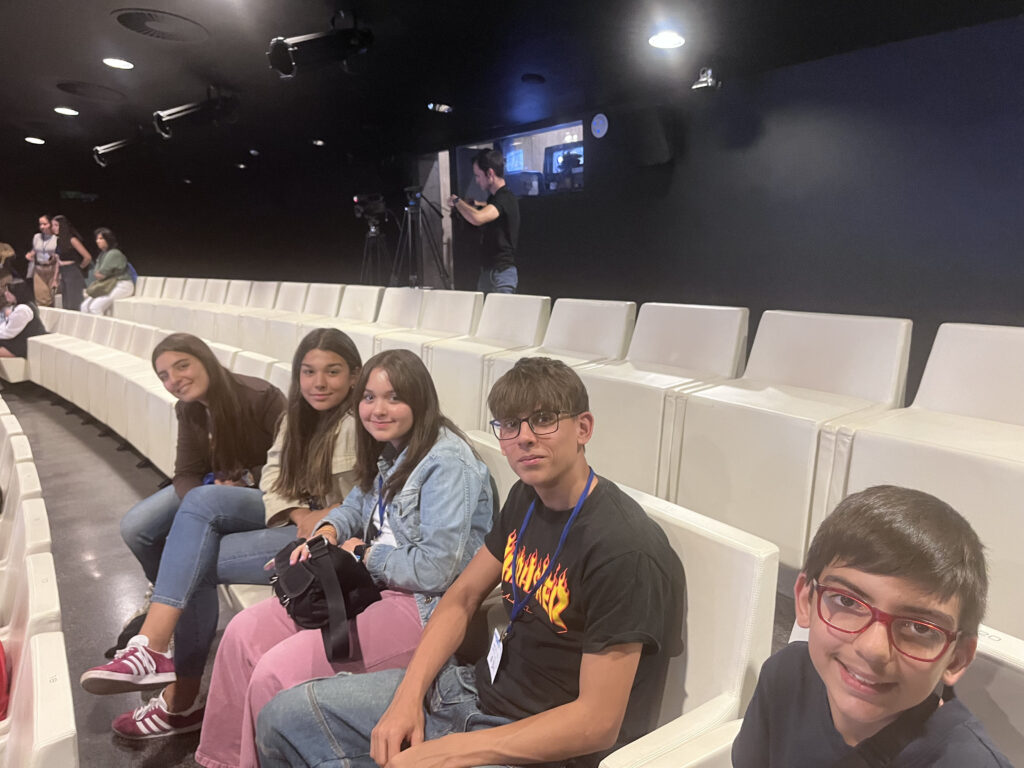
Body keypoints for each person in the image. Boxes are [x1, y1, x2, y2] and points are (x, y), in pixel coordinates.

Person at [256, 356, 686, 768]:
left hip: (537, 748)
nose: (524, 438)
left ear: (583, 428)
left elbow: (596, 723)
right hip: (471, 693)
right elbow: (462, 595)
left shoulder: (624, 549)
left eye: (543, 420)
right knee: (284, 718)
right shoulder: (527, 497)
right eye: (510, 425)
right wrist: (408, 696)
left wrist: (452, 751)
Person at [194, 348, 495, 768]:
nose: (378, 409)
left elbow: (436, 570)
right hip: (371, 587)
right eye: (369, 397)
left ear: (420, 400)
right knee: (243, 634)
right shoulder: (390, 450)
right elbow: (354, 505)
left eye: (393, 397)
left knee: (275, 672)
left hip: (423, 606)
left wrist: (364, 553)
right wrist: (328, 532)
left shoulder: (447, 464)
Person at [79, 333, 287, 729]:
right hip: (213, 492)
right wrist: (199, 501)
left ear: (204, 359)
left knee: (195, 550)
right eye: (164, 375)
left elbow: (291, 461)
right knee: (137, 527)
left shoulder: (260, 397)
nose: (174, 380)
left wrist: (243, 480)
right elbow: (186, 473)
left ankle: (163, 643)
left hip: (266, 493)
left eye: (181, 366)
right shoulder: (188, 409)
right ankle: (168, 598)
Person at [732, 485, 1012, 767]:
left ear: (957, 658)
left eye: (919, 628)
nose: (873, 648)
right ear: (806, 600)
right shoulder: (786, 676)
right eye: (847, 601)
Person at [449, 147, 520, 294]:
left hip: (501, 273)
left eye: (478, 175)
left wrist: (457, 201)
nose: (477, 180)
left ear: (490, 173)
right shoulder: (495, 199)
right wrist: (474, 204)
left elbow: (478, 218)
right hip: (489, 272)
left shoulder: (505, 197)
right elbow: (488, 207)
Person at [80, 227, 134, 315]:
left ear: (108, 239)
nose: (97, 241)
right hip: (107, 285)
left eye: (101, 238)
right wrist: (99, 273)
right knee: (84, 306)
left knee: (95, 307)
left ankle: (100, 324)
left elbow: (101, 275)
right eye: (97, 239)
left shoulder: (114, 253)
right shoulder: (102, 254)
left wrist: (100, 273)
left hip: (121, 285)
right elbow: (97, 273)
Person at [51, 214, 93, 311]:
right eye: (52, 225)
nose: (53, 228)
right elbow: (58, 260)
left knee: (74, 303)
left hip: (72, 271)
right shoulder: (59, 241)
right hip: (63, 272)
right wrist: (55, 278)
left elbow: (87, 257)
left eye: (56, 225)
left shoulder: (72, 240)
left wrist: (79, 268)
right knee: (66, 303)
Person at [0, 277, 47, 358]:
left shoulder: (23, 310)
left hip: (24, 344)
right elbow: (7, 326)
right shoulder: (18, 306)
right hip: (17, 339)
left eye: (9, 292)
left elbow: (9, 333)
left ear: (17, 293)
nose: (5, 293)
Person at [24, 214, 58, 306]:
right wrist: (30, 254)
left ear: (50, 224)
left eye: (45, 224)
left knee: (54, 297)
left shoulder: (56, 238)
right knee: (41, 299)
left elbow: (59, 255)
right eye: (40, 224)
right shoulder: (37, 237)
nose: (42, 227)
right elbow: (35, 250)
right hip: (39, 270)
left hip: (52, 270)